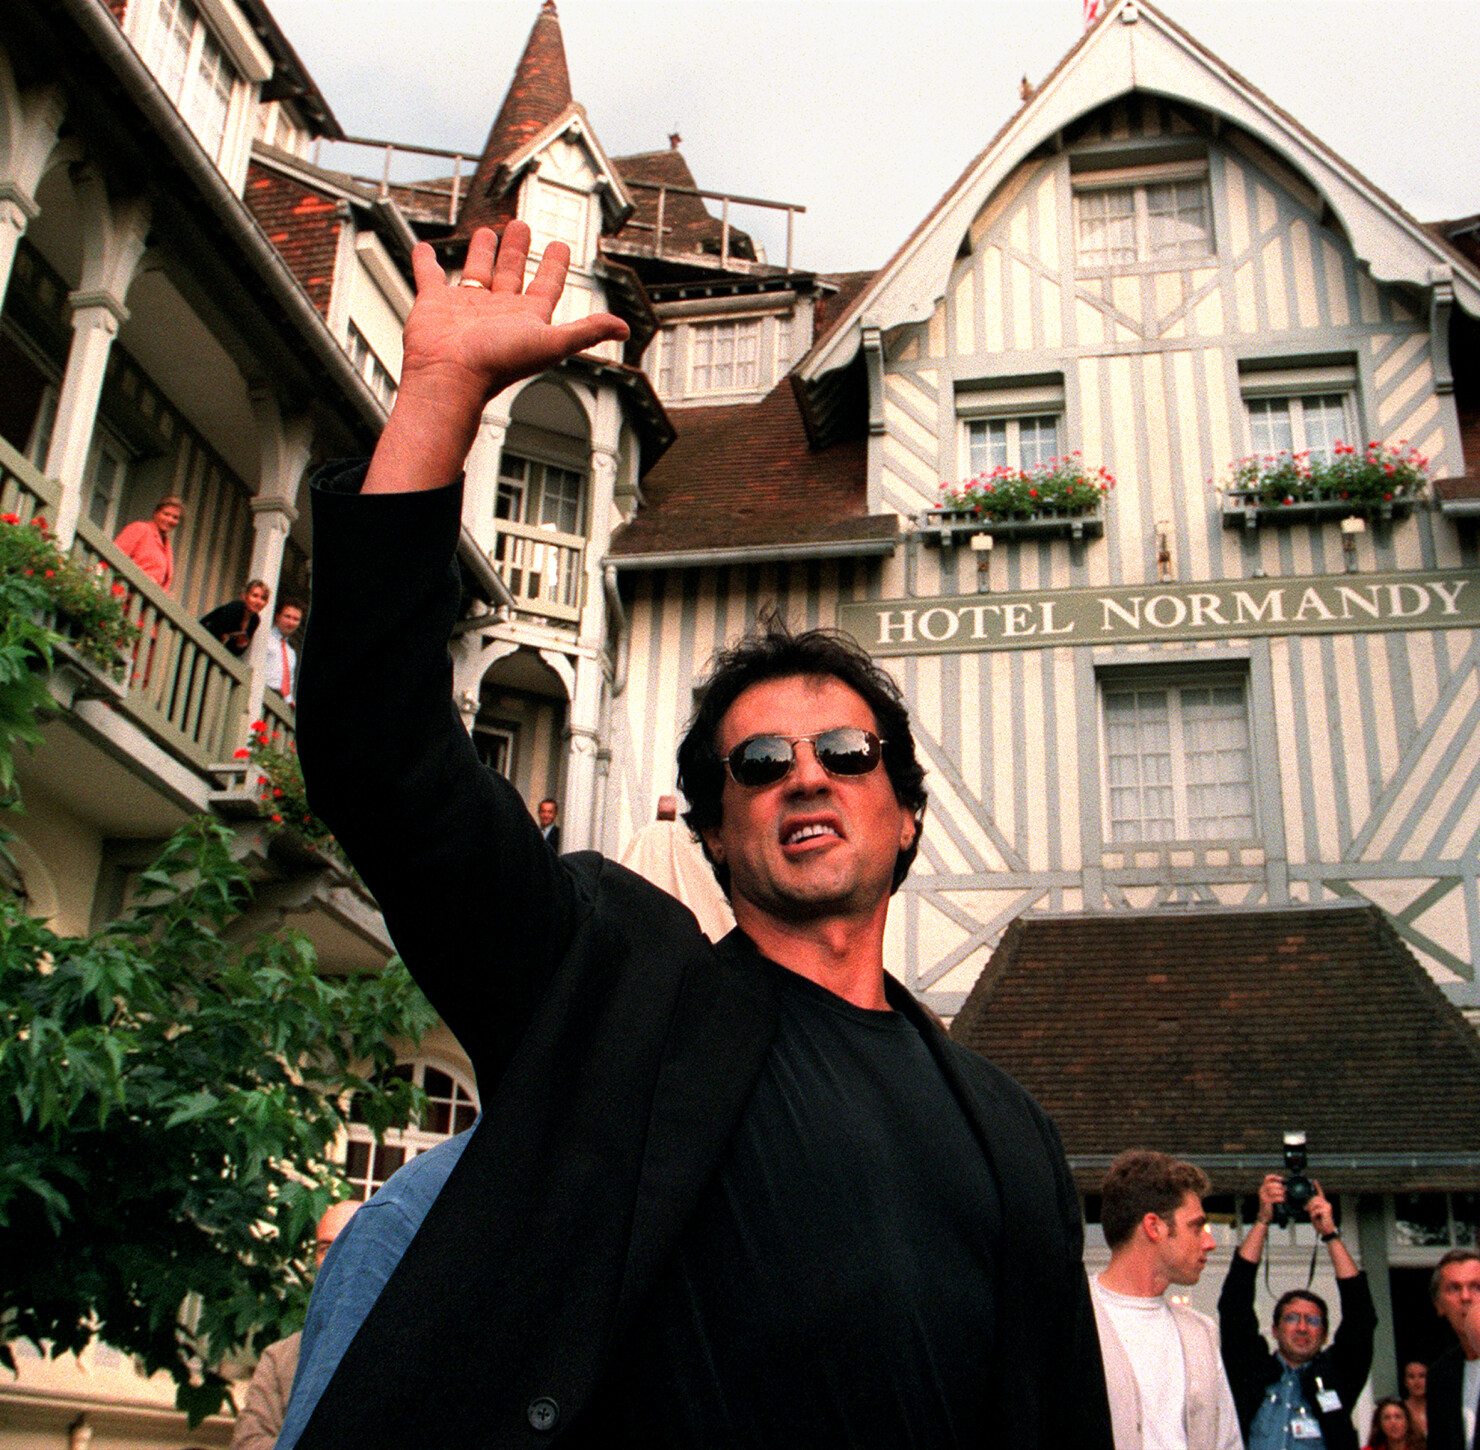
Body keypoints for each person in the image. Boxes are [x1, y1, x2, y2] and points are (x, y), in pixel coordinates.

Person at [292, 220, 1112, 1449]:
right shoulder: (611, 998)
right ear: (719, 835)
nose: (805, 778)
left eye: (845, 754)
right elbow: (383, 758)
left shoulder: (1006, 1125)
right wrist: (438, 396)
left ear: (907, 817)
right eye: (760, 764)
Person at [1090, 1149, 1240, 1450]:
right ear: (1154, 1227)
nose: (1209, 1243)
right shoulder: (1072, 1320)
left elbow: (1227, 1443)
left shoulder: (1202, 1332)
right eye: (1196, 1227)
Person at [1219, 1173, 1377, 1450]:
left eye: (1312, 1321)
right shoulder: (1252, 1370)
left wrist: (1330, 1233)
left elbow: (1361, 1317)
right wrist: (1262, 1220)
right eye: (1292, 1319)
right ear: (1275, 1329)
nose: (1302, 1328)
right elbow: (1234, 1304)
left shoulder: (1337, 1376)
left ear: (1325, 1333)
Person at [230, 1200, 359, 1450]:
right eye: (325, 1248)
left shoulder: (406, 1350)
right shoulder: (281, 1359)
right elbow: (248, 1443)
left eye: (348, 1244)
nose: (334, 1259)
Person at [1427, 1248, 1480, 1450]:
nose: (1466, 1297)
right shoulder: (1440, 1374)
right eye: (1454, 1289)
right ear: (1439, 1305)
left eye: (1476, 1287)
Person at [114, 495, 184, 590]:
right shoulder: (140, 528)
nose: (170, 520)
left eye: (175, 517)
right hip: (125, 592)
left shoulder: (167, 547)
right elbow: (114, 557)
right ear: (156, 513)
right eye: (166, 514)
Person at [200, 580, 270, 657]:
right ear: (244, 596)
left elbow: (238, 652)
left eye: (263, 598)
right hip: (201, 643)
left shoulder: (254, 620)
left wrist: (239, 644)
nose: (258, 601)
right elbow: (213, 629)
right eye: (254, 596)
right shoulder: (235, 608)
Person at [266, 600, 303, 704]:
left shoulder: (291, 653)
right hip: (261, 695)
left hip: (277, 706)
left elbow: (288, 683)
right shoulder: (265, 638)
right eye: (287, 616)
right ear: (277, 616)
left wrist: (290, 701)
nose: (291, 622)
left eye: (296, 619)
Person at [1406, 1360, 1431, 1440]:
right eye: (1411, 1377)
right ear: (1405, 1381)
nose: (1417, 1381)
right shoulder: (1399, 1411)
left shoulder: (1439, 1410)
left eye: (1422, 1376)